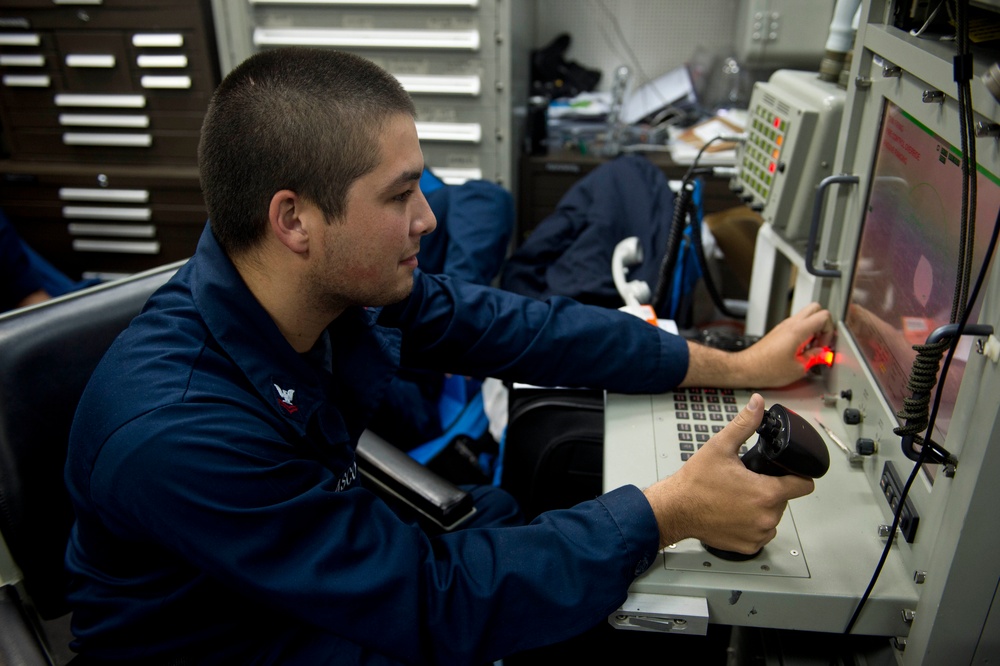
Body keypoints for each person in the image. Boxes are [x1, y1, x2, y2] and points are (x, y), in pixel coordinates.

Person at [64, 48, 830, 665]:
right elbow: (434, 604)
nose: (429, 217)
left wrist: (737, 365)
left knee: (532, 534)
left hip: (295, 581)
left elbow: (526, 329)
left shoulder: (327, 292)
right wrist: (669, 513)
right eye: (400, 196)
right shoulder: (179, 434)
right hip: (243, 639)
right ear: (294, 220)